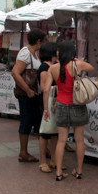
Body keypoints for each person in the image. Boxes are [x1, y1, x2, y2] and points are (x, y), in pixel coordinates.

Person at [43, 40, 95, 181]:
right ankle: (78, 171)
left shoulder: (53, 68)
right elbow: (91, 68)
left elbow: (46, 89)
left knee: (61, 140)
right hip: (77, 104)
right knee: (79, 140)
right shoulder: (77, 65)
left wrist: (45, 109)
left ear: (60, 53)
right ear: (72, 52)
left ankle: (58, 172)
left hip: (61, 105)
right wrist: (77, 60)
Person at [11, 28, 46, 163]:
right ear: (38, 41)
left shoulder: (33, 54)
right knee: (26, 120)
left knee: (36, 120)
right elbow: (15, 72)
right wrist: (27, 90)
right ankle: (23, 152)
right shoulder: (26, 53)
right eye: (43, 41)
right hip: (27, 95)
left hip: (32, 94)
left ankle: (43, 150)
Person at [37, 42, 61, 173]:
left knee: (54, 133)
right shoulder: (45, 67)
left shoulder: (53, 66)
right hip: (47, 102)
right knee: (45, 132)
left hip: (53, 102)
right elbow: (43, 87)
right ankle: (43, 161)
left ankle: (53, 159)